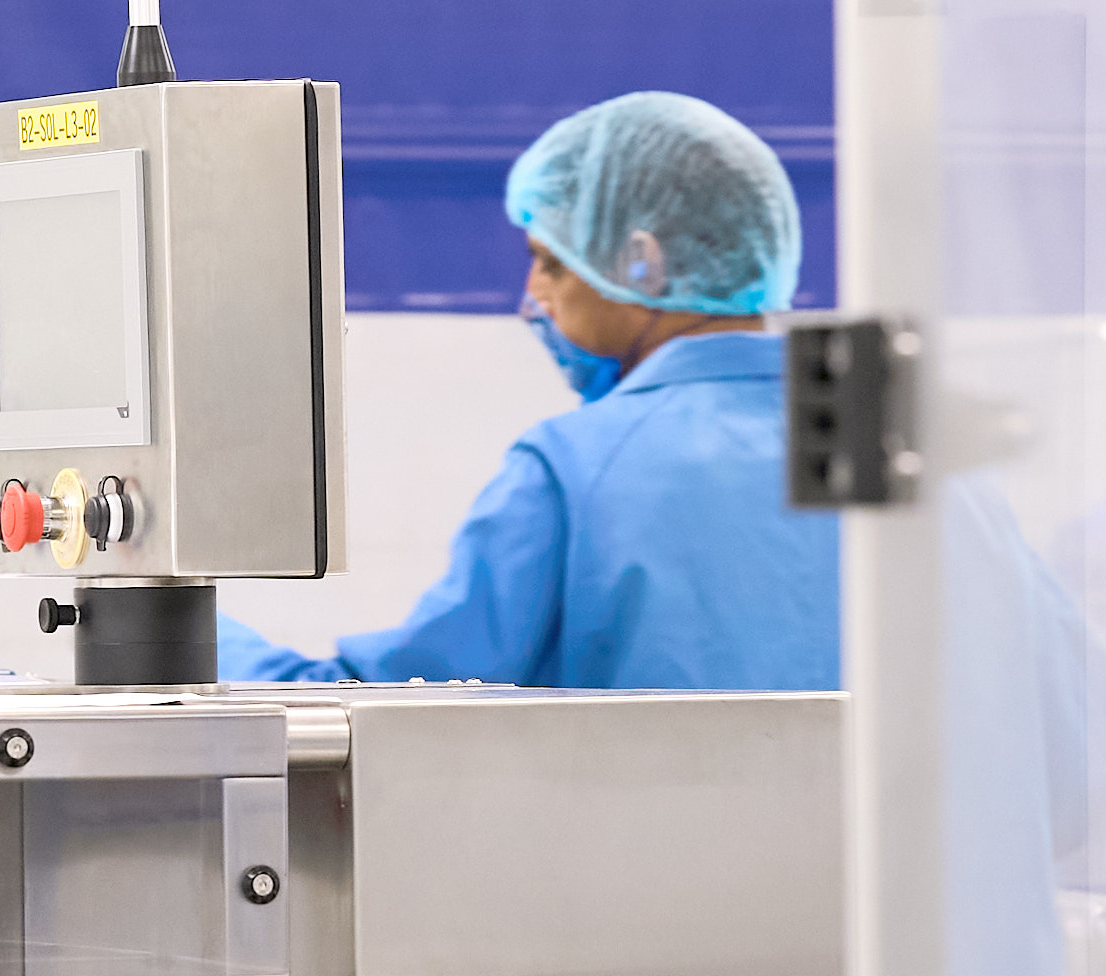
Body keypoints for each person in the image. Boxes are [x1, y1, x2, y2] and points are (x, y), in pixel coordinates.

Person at [217, 92, 841, 690]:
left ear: (640, 260)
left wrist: (182, 634)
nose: (533, 299)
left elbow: (399, 706)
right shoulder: (865, 454)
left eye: (550, 263)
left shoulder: (574, 470)